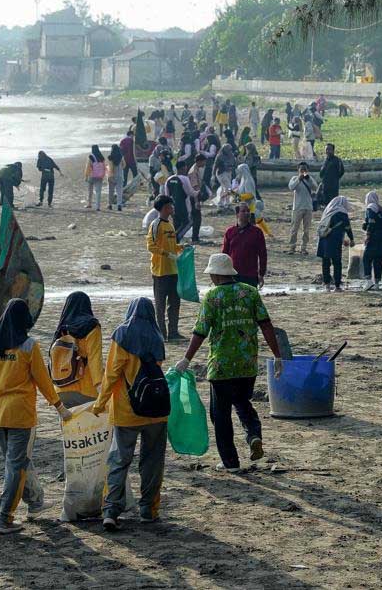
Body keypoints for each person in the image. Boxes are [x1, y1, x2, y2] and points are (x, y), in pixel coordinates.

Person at [174, 253, 284, 472]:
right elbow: (266, 325)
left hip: (221, 366)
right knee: (243, 403)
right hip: (247, 363)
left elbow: (200, 331)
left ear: (215, 275)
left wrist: (187, 358)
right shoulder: (250, 292)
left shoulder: (212, 297)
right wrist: (277, 355)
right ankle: (253, 435)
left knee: (220, 414)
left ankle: (230, 462)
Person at [0, 299, 71, 535]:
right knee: (16, 466)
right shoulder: (28, 345)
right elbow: (43, 380)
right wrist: (59, 406)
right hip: (21, 414)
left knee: (18, 461)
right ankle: (4, 517)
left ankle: (35, 501)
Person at [92, 297, 169, 530]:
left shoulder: (122, 335)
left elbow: (112, 374)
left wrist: (100, 404)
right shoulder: (157, 336)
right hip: (156, 411)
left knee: (119, 460)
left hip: (126, 411)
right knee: (152, 462)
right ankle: (148, 510)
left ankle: (111, 511)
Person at [52, 291, 103, 407]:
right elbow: (95, 358)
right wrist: (100, 387)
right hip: (85, 390)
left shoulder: (61, 329)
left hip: (60, 390)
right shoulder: (91, 326)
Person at [147, 195, 183, 340]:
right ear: (164, 207)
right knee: (160, 305)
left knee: (174, 303)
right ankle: (161, 334)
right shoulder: (156, 224)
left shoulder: (170, 225)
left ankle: (173, 332)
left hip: (173, 270)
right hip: (160, 271)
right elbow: (151, 246)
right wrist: (166, 254)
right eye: (170, 205)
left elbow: (172, 246)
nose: (172, 208)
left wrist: (181, 247)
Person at [221, 202, 267, 288]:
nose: (247, 213)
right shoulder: (230, 231)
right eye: (243, 211)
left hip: (250, 275)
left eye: (248, 211)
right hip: (232, 275)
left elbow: (263, 254)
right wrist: (222, 273)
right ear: (237, 214)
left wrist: (261, 274)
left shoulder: (257, 232)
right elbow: (224, 254)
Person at [315, 196, 353, 292]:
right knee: (337, 263)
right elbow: (347, 227)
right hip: (335, 240)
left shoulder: (328, 212)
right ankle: (337, 286)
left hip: (324, 239)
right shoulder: (342, 213)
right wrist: (351, 239)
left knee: (325, 262)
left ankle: (327, 285)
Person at [360, 190, 382, 290]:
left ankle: (368, 281)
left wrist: (368, 235)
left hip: (374, 236)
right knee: (378, 260)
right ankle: (377, 283)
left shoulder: (370, 208)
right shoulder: (380, 208)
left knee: (366, 258)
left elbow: (371, 222)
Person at [287, 163, 318, 254]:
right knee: (294, 229)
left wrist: (308, 179)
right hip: (297, 207)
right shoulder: (294, 178)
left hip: (308, 207)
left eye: (305, 169)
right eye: (301, 169)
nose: (303, 171)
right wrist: (299, 179)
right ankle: (292, 247)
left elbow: (315, 188)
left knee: (306, 230)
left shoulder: (310, 178)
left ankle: (303, 247)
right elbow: (291, 187)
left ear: (308, 170)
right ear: (298, 170)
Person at [84, 146, 107, 211]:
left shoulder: (91, 157)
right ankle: (98, 207)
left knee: (90, 190)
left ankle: (89, 204)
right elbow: (104, 167)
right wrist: (103, 175)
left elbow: (87, 167)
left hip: (92, 176)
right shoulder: (102, 157)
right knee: (98, 192)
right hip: (100, 176)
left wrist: (86, 176)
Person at [107, 143, 125, 212]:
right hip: (120, 175)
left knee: (111, 191)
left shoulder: (110, 157)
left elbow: (109, 167)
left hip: (112, 176)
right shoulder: (121, 157)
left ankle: (110, 205)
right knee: (119, 191)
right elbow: (124, 165)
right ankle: (119, 205)